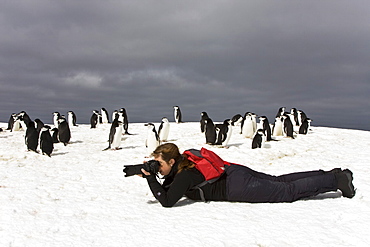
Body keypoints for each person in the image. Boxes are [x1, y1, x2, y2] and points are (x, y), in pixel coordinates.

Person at [141, 143, 356, 207]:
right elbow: (169, 186)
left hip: (236, 186)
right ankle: (330, 174)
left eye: (158, 164)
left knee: (286, 192)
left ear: (171, 161)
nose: (156, 168)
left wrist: (151, 178)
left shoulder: (184, 175)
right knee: (279, 180)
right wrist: (151, 173)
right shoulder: (183, 165)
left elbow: (168, 201)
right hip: (234, 171)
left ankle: (336, 180)